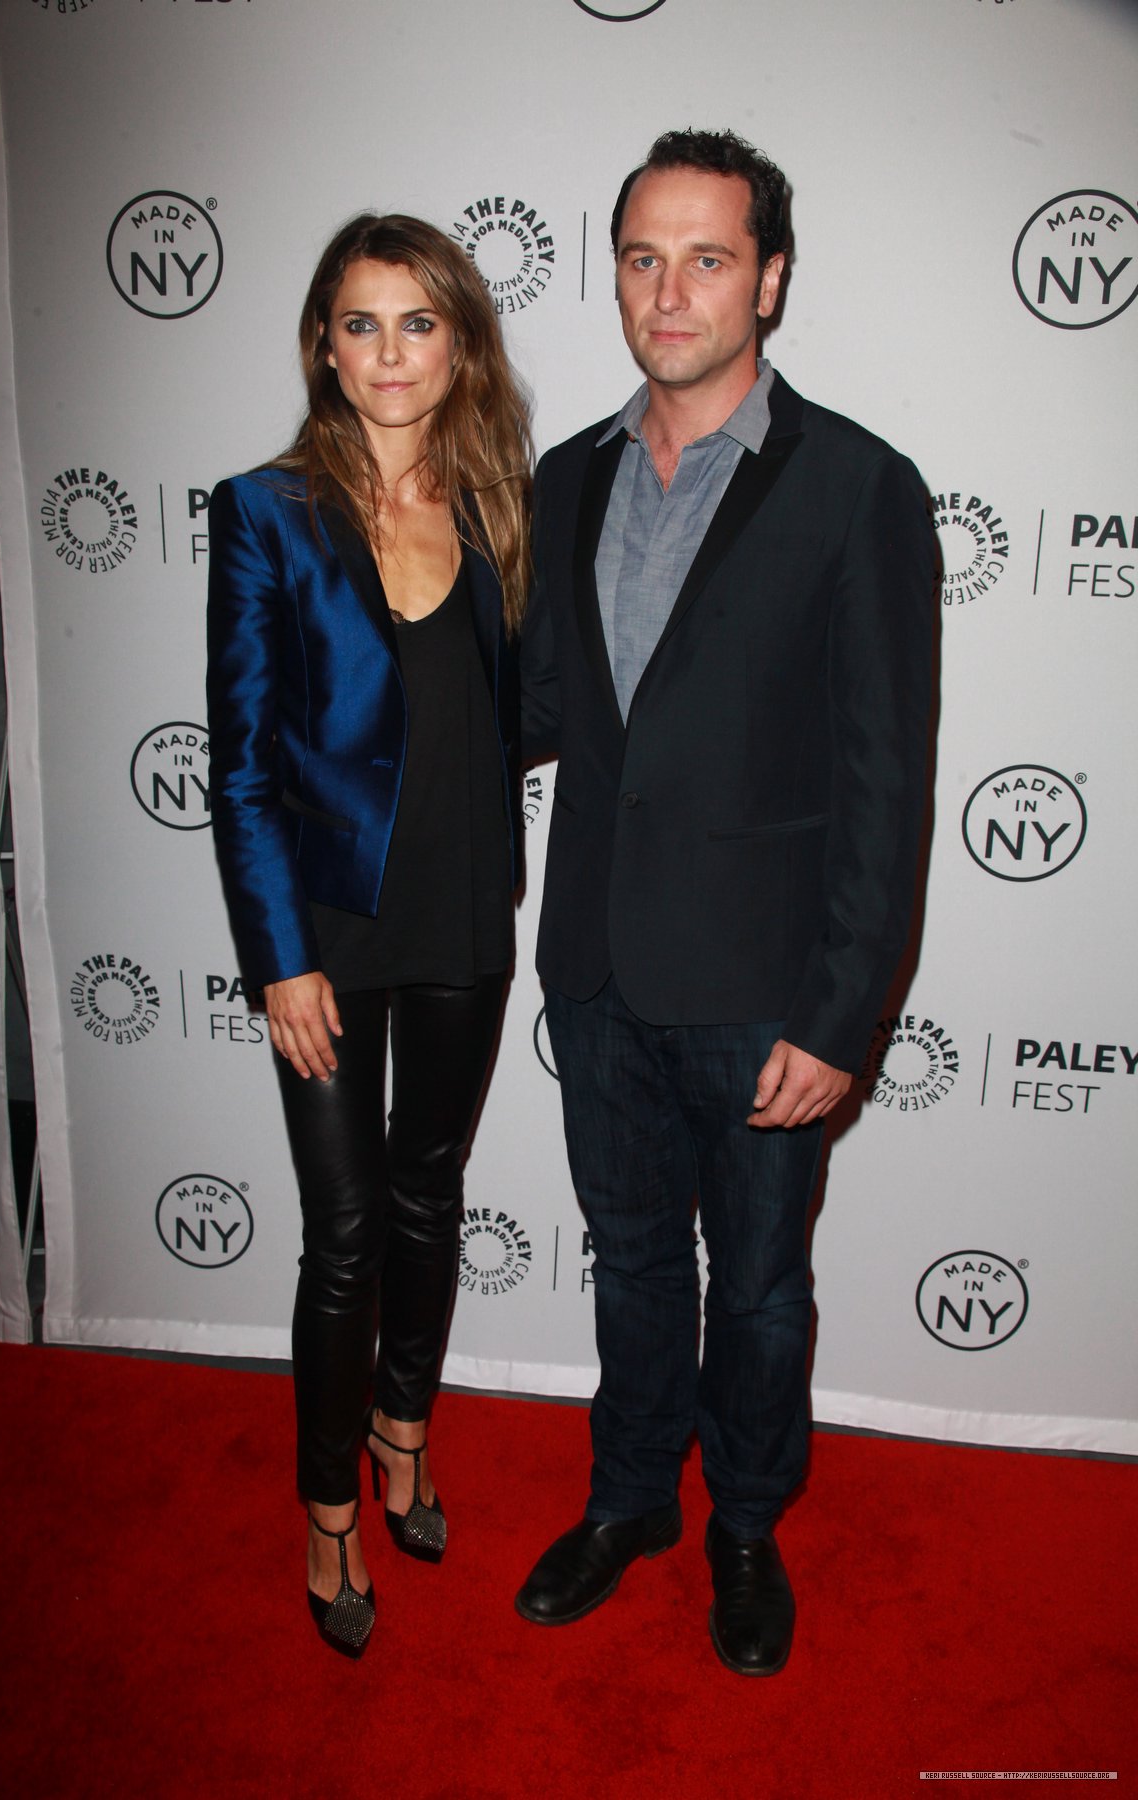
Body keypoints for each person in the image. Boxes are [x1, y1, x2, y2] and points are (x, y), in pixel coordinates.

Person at [516, 130, 933, 1675]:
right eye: (642, 255)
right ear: (614, 272)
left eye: (706, 257)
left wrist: (843, 1015)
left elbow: (887, 777)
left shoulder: (855, 487)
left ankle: (748, 1525)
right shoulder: (571, 479)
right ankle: (631, 1500)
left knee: (757, 1285)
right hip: (601, 974)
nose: (670, 289)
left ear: (768, 277)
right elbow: (541, 710)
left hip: (766, 989)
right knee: (630, 1262)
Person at [207, 213, 531, 1658]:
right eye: (361, 322)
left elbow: (515, 711)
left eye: (417, 322)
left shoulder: (498, 502)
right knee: (341, 1233)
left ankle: (406, 1430)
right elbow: (242, 762)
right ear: (322, 345)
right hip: (327, 929)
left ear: (457, 341)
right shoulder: (266, 510)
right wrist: (278, 954)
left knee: (429, 1193)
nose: (388, 352)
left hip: (463, 905)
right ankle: (329, 1506)